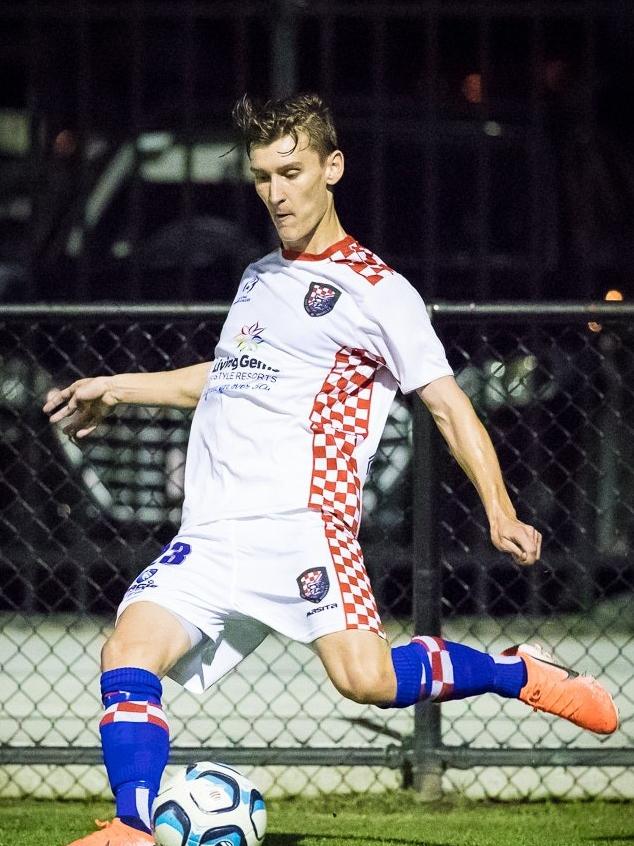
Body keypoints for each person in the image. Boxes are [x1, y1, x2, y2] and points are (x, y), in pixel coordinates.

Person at [44, 93, 619, 846]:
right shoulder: (257, 277)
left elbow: (447, 405)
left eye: (291, 172)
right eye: (262, 177)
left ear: (331, 167)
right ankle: (133, 826)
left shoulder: (379, 293)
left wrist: (500, 507)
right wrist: (114, 387)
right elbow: (226, 377)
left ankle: (518, 671)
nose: (276, 193)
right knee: (127, 650)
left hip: (304, 530)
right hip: (214, 536)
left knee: (367, 680)